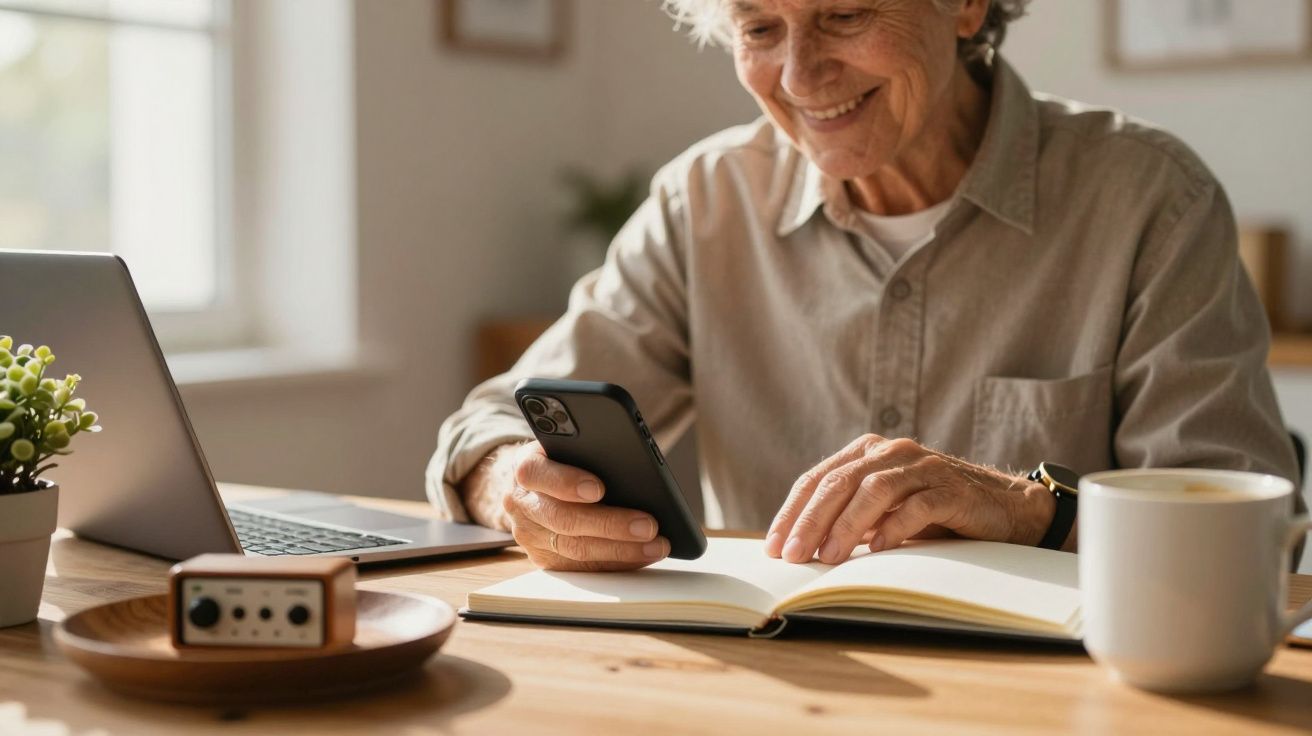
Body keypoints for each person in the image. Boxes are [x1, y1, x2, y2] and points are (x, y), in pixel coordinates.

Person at [426, 0, 1301, 571]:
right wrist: (514, 483)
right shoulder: (705, 201)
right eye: (759, 28)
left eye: (844, 14)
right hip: (778, 686)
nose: (801, 78)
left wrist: (1024, 507)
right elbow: (492, 421)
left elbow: (1246, 529)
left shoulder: (1151, 199)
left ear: (964, 6)